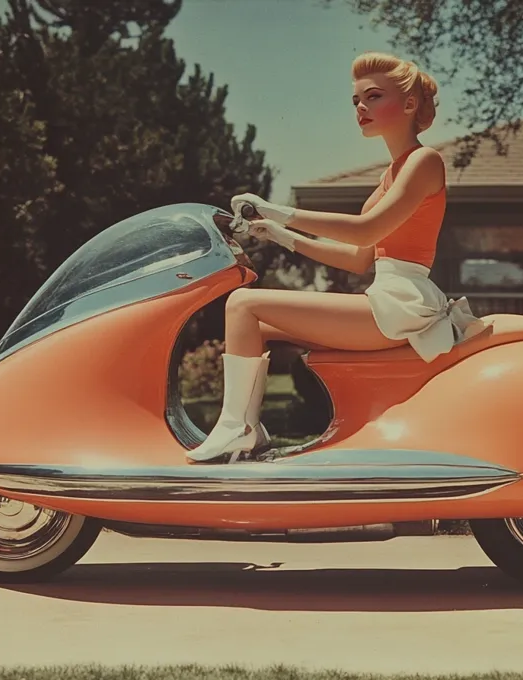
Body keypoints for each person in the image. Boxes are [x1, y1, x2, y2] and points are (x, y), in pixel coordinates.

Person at [186, 51, 488, 464]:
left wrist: (276, 209)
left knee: (243, 301)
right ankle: (246, 429)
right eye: (356, 100)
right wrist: (280, 234)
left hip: (401, 302)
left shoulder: (424, 161)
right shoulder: (391, 173)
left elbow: (367, 231)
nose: (361, 107)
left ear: (410, 104)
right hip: (389, 297)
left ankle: (236, 429)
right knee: (253, 319)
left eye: (373, 96)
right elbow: (359, 258)